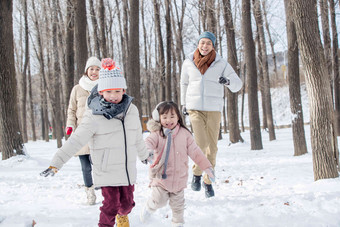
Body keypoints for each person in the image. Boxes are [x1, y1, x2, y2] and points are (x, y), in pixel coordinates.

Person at [40, 58, 151, 227]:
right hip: (106, 171)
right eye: (108, 91)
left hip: (127, 171)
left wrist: (144, 155)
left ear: (123, 90)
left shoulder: (132, 111)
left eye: (117, 91)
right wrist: (56, 163)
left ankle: (123, 216)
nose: (113, 96)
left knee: (127, 206)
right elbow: (76, 140)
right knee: (110, 206)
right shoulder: (93, 115)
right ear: (101, 92)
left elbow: (137, 136)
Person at [180, 31, 243, 198]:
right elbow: (184, 83)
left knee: (212, 147)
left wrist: (227, 81)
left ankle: (208, 181)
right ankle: (197, 173)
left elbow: (238, 84)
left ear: (213, 45)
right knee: (200, 143)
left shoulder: (221, 64)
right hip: (194, 108)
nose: (205, 46)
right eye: (202, 42)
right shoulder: (188, 62)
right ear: (198, 44)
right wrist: (183, 104)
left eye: (208, 43)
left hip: (214, 108)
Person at [140, 101, 215, 227]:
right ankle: (149, 207)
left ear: (178, 117)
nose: (168, 120)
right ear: (159, 119)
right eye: (164, 117)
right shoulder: (157, 134)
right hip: (161, 178)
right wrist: (147, 153)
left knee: (178, 206)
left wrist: (207, 167)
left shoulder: (185, 134)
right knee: (159, 201)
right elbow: (148, 143)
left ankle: (178, 223)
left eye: (172, 116)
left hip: (179, 179)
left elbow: (196, 152)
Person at [65, 56, 101, 205]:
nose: (94, 72)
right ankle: (90, 194)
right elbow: (71, 109)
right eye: (91, 69)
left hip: (99, 133)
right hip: (81, 133)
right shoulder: (77, 88)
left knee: (99, 165)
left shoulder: (104, 87)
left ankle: (106, 191)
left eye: (97, 69)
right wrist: (70, 125)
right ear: (86, 70)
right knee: (85, 167)